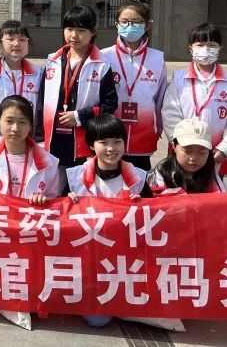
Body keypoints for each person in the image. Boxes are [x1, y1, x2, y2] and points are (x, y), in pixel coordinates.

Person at [66, 114, 156, 330]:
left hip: (127, 259)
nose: (111, 148)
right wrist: (67, 203)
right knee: (98, 320)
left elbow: (154, 220)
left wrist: (143, 207)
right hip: (89, 257)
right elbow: (62, 223)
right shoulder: (75, 177)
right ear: (91, 145)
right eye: (103, 142)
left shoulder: (139, 178)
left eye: (117, 142)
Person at [37, 5, 118, 189]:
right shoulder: (52, 61)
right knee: (52, 189)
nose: (74, 35)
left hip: (83, 139)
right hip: (53, 138)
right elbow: (41, 102)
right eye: (69, 29)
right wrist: (38, 137)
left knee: (80, 190)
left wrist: (80, 116)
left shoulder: (102, 65)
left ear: (93, 32)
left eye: (81, 30)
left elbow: (110, 104)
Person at [161, 23, 227, 179]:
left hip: (216, 153)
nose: (206, 49)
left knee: (213, 191)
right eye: (200, 45)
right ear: (191, 49)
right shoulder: (179, 79)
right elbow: (170, 114)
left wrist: (225, 149)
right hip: (184, 153)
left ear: (220, 48)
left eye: (211, 45)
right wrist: (179, 144)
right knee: (181, 190)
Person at [99, 0, 167, 171]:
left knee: (139, 181)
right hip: (110, 134)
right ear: (117, 24)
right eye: (125, 21)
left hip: (143, 132)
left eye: (136, 22)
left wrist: (157, 128)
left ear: (147, 25)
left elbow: (160, 99)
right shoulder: (104, 56)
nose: (130, 26)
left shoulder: (157, 58)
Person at [0, 95, 61, 204]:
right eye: (9, 121)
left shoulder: (49, 163)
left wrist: (43, 201)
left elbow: (54, 200)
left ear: (30, 126)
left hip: (29, 215)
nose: (15, 128)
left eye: (22, 122)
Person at [0, 20, 41, 140]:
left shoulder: (39, 74)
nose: (16, 43)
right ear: (0, 44)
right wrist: (0, 142)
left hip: (31, 140)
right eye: (10, 39)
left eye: (22, 39)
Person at [146, 118, 225, 194]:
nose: (193, 158)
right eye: (188, 151)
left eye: (202, 152)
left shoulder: (210, 173)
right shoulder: (161, 175)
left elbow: (221, 198)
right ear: (174, 146)